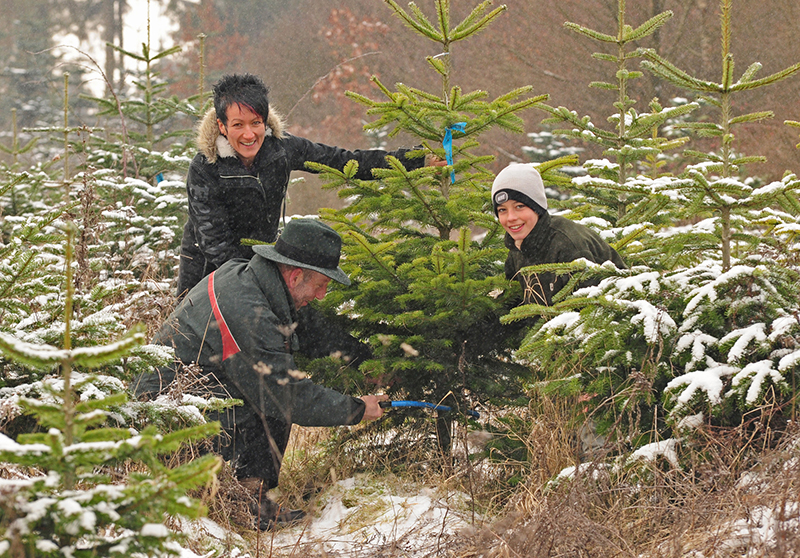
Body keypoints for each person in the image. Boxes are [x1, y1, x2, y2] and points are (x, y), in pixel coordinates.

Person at [133, 218, 388, 530]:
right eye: (322, 285)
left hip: (186, 396)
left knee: (268, 391)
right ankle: (246, 504)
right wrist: (357, 409)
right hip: (164, 416)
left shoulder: (252, 277)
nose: (322, 295)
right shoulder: (247, 310)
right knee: (272, 399)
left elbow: (310, 329)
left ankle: (248, 493)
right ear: (296, 276)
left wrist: (364, 360)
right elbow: (284, 394)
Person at [177, 72, 435, 297]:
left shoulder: (281, 149)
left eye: (256, 123)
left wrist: (415, 160)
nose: (249, 134)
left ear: (265, 122)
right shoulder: (205, 168)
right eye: (238, 125)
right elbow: (215, 243)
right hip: (207, 275)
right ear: (222, 126)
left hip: (258, 263)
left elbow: (343, 161)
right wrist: (257, 281)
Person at [491, 163, 626, 306]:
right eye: (502, 210)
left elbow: (589, 313)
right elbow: (513, 307)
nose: (510, 217)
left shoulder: (569, 246)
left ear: (537, 207)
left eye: (519, 206)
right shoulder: (519, 246)